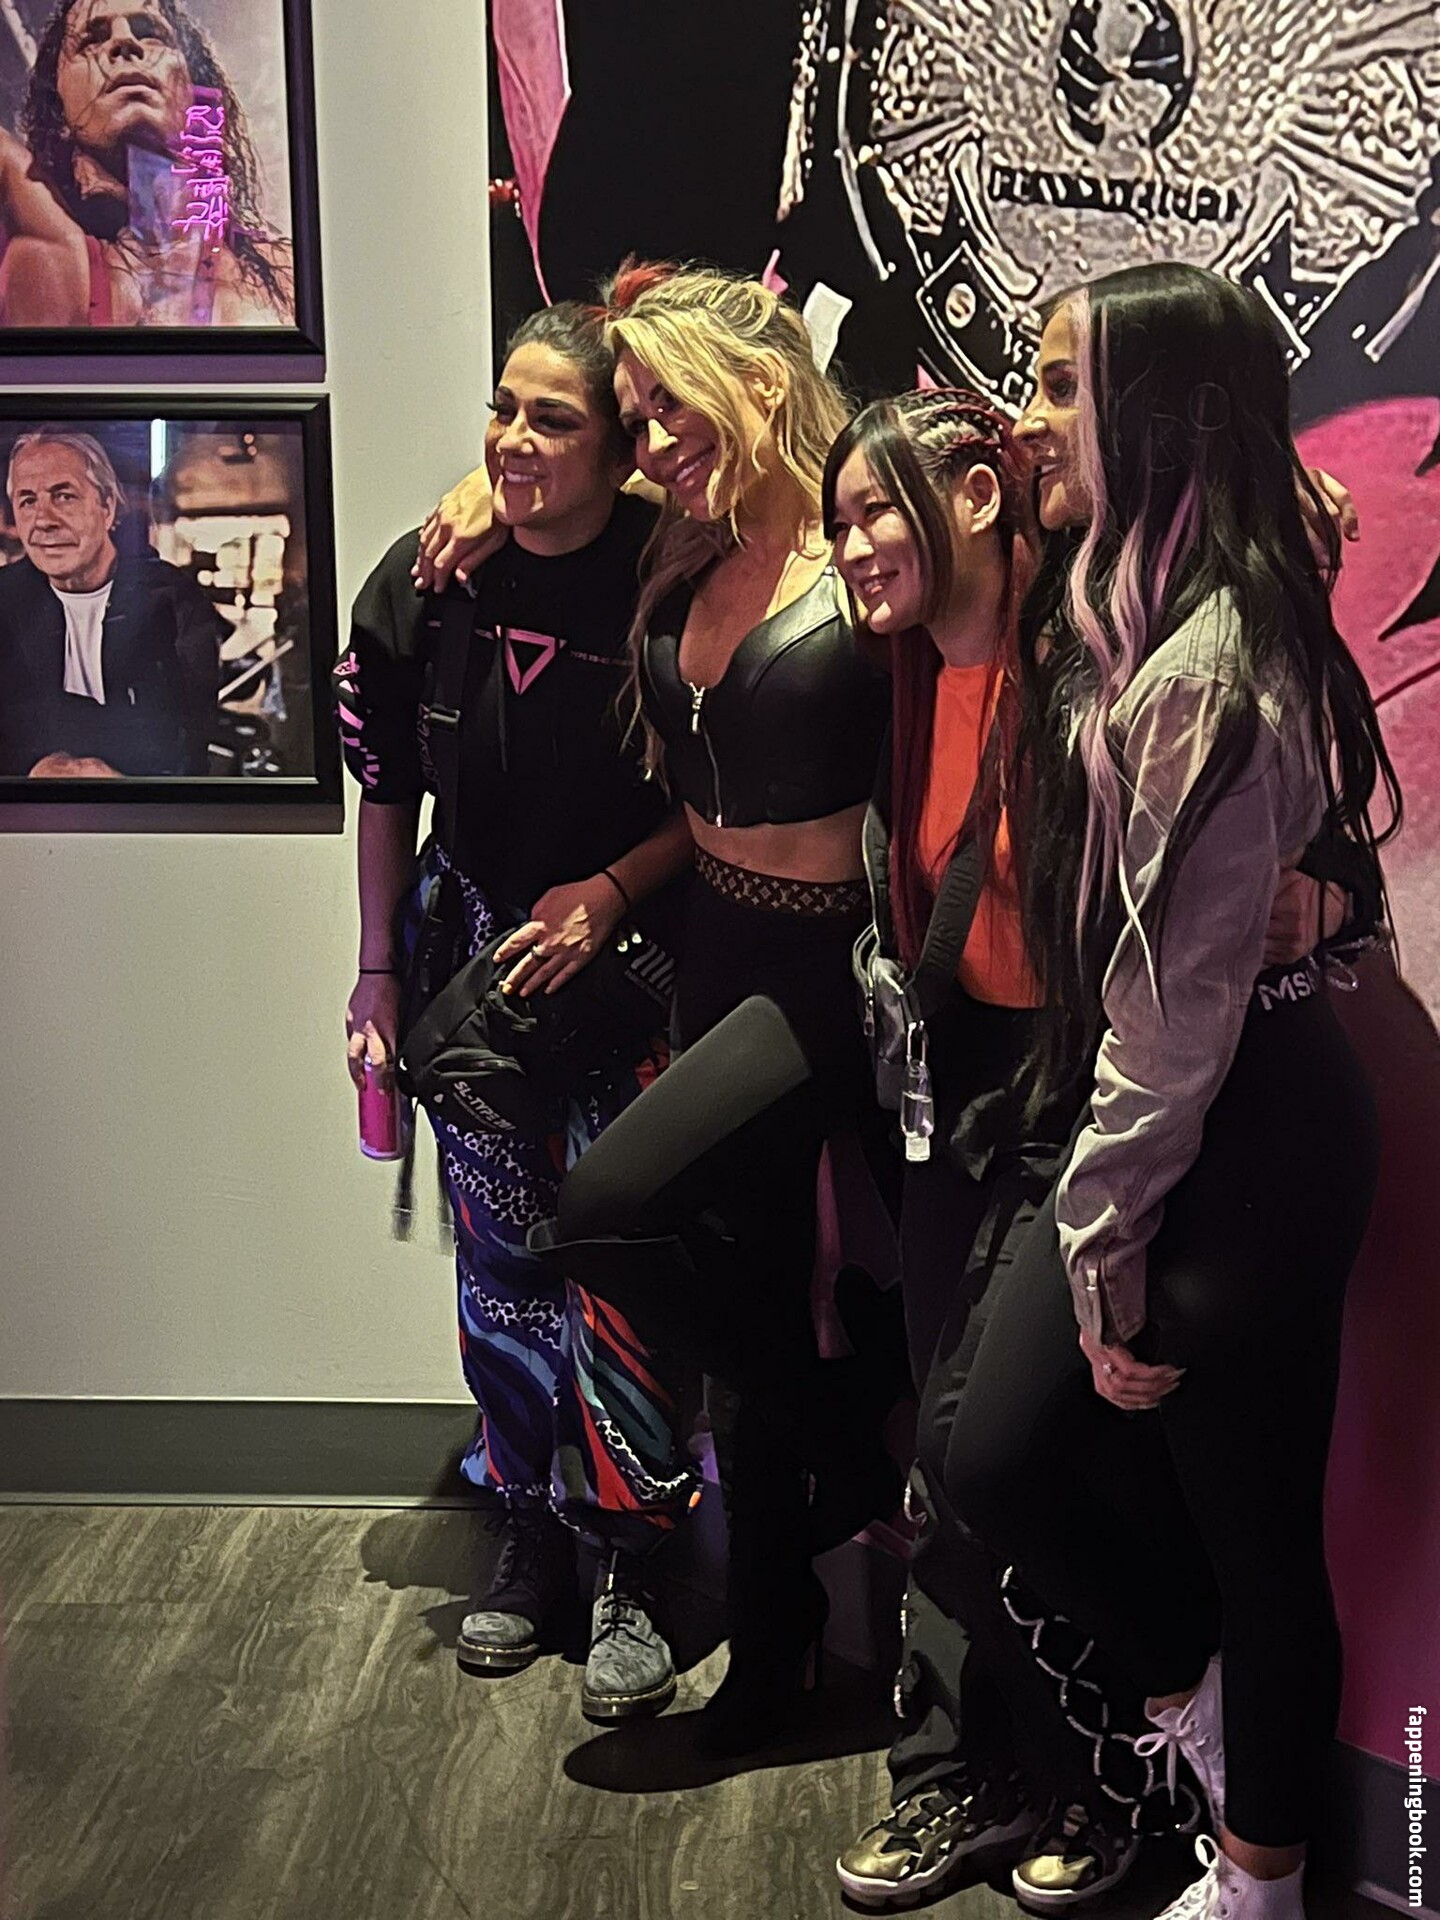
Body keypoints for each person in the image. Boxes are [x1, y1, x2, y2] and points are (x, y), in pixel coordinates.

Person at [928, 263, 1399, 1920]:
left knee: (1248, 1530)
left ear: (1160, 417)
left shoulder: (1203, 657)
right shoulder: (1120, 598)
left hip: (1236, 1128)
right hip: (1167, 1102)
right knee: (1008, 1460)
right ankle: (1201, 1729)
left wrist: (1105, 1238)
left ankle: (1261, 1879)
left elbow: (1183, 1008)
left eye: (1063, 384)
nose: (1028, 415)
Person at [825, 388, 1221, 1911]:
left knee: (1000, 1454)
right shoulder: (904, 672)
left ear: (980, 499)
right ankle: (964, 1772)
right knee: (942, 1464)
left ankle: (1122, 1766)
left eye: (879, 510)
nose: (851, 545)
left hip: (1079, 1086)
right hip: (957, 1087)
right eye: (841, 518)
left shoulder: (1096, 664)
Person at [516, 263, 911, 1757]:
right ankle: (773, 1643)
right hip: (716, 950)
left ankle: (856, 1426)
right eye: (633, 418)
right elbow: (528, 502)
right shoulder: (682, 546)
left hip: (830, 976)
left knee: (608, 1207)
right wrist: (471, 504)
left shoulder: (863, 547)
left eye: (667, 407)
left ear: (753, 383)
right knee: (740, 1295)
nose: (651, 442)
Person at [336, 302, 700, 1723]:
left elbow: (717, 803)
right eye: (505, 408)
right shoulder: (424, 583)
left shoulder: (676, 579)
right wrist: (377, 971)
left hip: (633, 973)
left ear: (621, 447)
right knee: (502, 1262)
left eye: (556, 418)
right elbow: (386, 793)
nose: (514, 439)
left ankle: (633, 1556)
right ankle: (532, 1523)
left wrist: (609, 895)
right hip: (475, 969)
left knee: (622, 1255)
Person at [0, 0, 293, 327]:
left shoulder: (282, 276)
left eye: (151, 34)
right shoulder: (49, 258)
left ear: (193, 93)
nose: (124, 41)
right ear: (58, 109)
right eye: (92, 40)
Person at [0, 426, 220, 775]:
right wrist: (34, 767)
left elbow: (186, 745)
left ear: (107, 506)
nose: (43, 520)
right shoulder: (5, 599)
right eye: (28, 501)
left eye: (64, 496)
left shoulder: (173, 600)